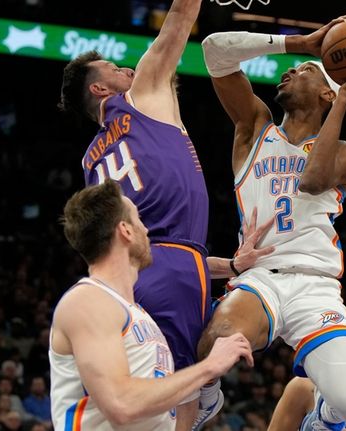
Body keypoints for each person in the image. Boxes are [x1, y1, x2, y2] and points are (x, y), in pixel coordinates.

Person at [58, 0, 273, 426]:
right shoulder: (139, 97)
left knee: (157, 388)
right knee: (183, 394)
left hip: (136, 276)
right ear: (100, 90)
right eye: (114, 68)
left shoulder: (90, 161)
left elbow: (149, 246)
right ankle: (203, 392)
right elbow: (179, 18)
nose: (126, 69)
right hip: (173, 269)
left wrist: (229, 265)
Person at [195, 15, 346, 430]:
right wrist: (299, 46)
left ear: (325, 92)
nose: (288, 73)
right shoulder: (254, 128)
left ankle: (325, 415)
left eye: (304, 71)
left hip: (316, 285)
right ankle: (207, 399)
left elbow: (312, 180)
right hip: (261, 275)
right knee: (214, 345)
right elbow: (214, 49)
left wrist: (344, 100)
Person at [50, 180, 254, 430]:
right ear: (125, 231)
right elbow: (121, 404)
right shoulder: (88, 302)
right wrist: (209, 367)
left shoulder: (138, 315)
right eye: (139, 221)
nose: (146, 231)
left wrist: (232, 266)